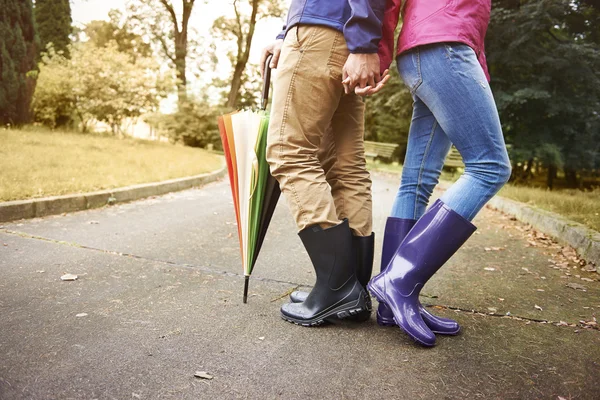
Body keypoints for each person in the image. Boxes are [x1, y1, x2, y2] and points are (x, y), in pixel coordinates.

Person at [367, 0, 512, 346]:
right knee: (489, 166)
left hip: (425, 50)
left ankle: (392, 302)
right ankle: (399, 282)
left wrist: (385, 54)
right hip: (445, 48)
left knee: (417, 181)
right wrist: (375, 54)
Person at [260, 0, 390, 326]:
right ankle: (354, 289)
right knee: (346, 166)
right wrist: (283, 32)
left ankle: (337, 287)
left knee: (289, 152)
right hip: (343, 36)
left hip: (319, 33)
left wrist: (362, 42)